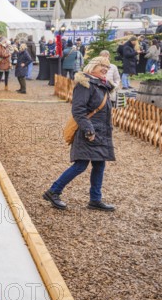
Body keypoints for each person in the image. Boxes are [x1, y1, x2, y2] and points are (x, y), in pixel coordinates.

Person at [43, 56, 115, 212]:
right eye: (102, 65)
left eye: (107, 67)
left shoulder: (102, 85)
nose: (105, 69)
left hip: (101, 132)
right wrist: (88, 129)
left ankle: (95, 200)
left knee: (99, 164)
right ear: (93, 66)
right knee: (80, 165)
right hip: (88, 132)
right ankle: (53, 191)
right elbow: (78, 110)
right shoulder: (85, 84)